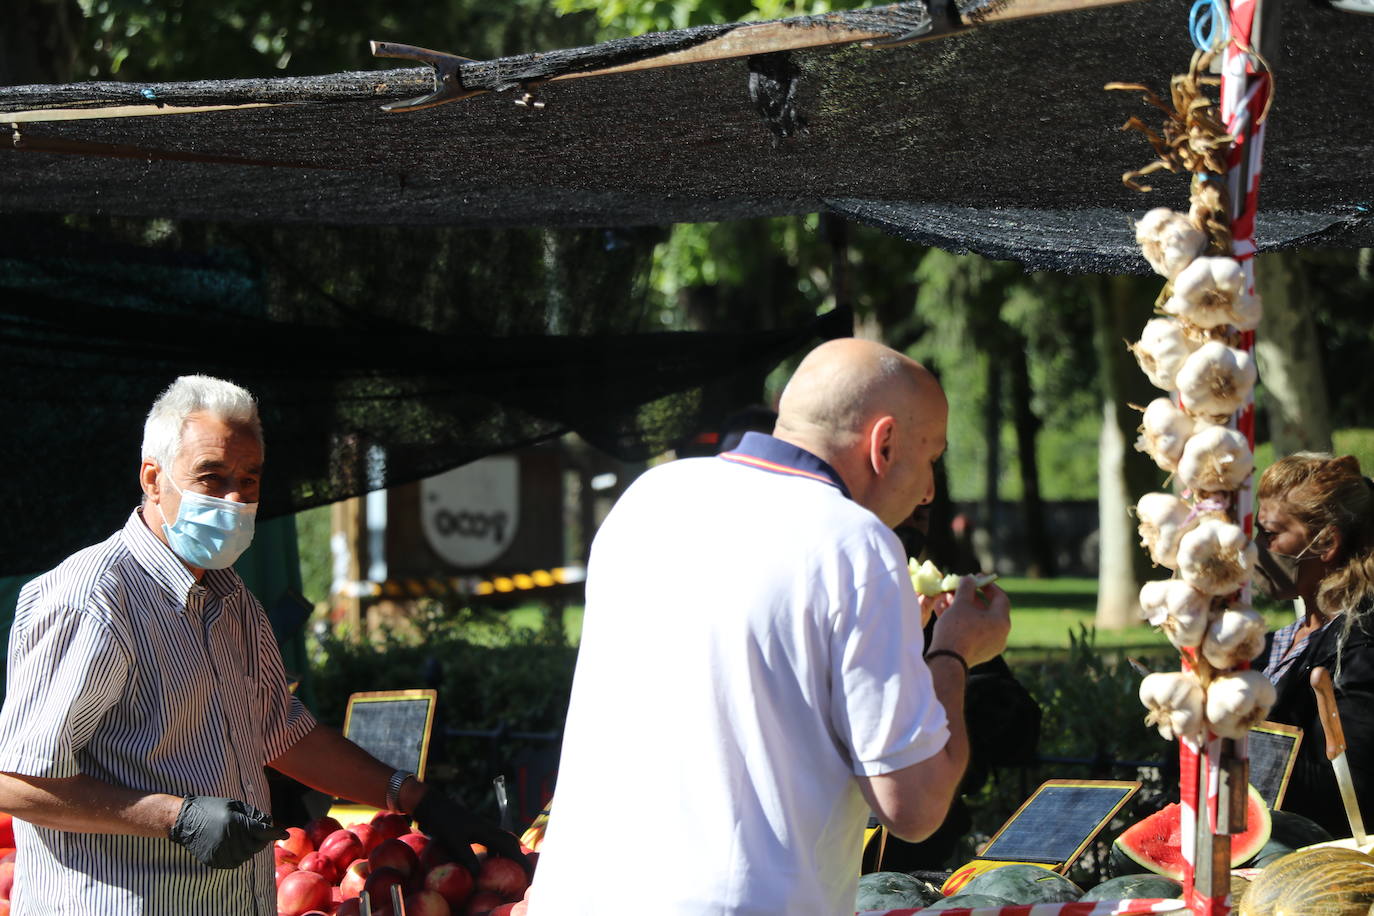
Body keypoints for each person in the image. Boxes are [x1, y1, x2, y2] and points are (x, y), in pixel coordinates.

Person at [0, 375, 524, 916]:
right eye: (212, 476)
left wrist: (416, 798)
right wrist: (172, 817)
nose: (235, 499)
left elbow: (282, 732)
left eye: (249, 479)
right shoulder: (92, 599)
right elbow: (14, 782)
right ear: (153, 479)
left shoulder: (233, 600)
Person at [528, 338, 1012, 915]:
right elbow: (914, 807)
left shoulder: (649, 497)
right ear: (883, 444)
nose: (930, 488)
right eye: (930, 456)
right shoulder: (857, 544)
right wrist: (953, 652)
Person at [1252, 452, 1374, 838]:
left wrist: (1228, 737)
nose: (1254, 546)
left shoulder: (1362, 644)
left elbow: (1351, 788)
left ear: (1326, 543)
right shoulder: (1273, 642)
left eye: (1270, 534)